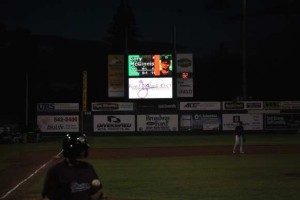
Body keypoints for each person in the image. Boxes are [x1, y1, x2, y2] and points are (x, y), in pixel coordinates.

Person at [42, 133, 104, 200]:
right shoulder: (56, 172)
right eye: (81, 149)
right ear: (73, 150)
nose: (84, 152)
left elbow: (94, 193)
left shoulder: (88, 167)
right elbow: (48, 197)